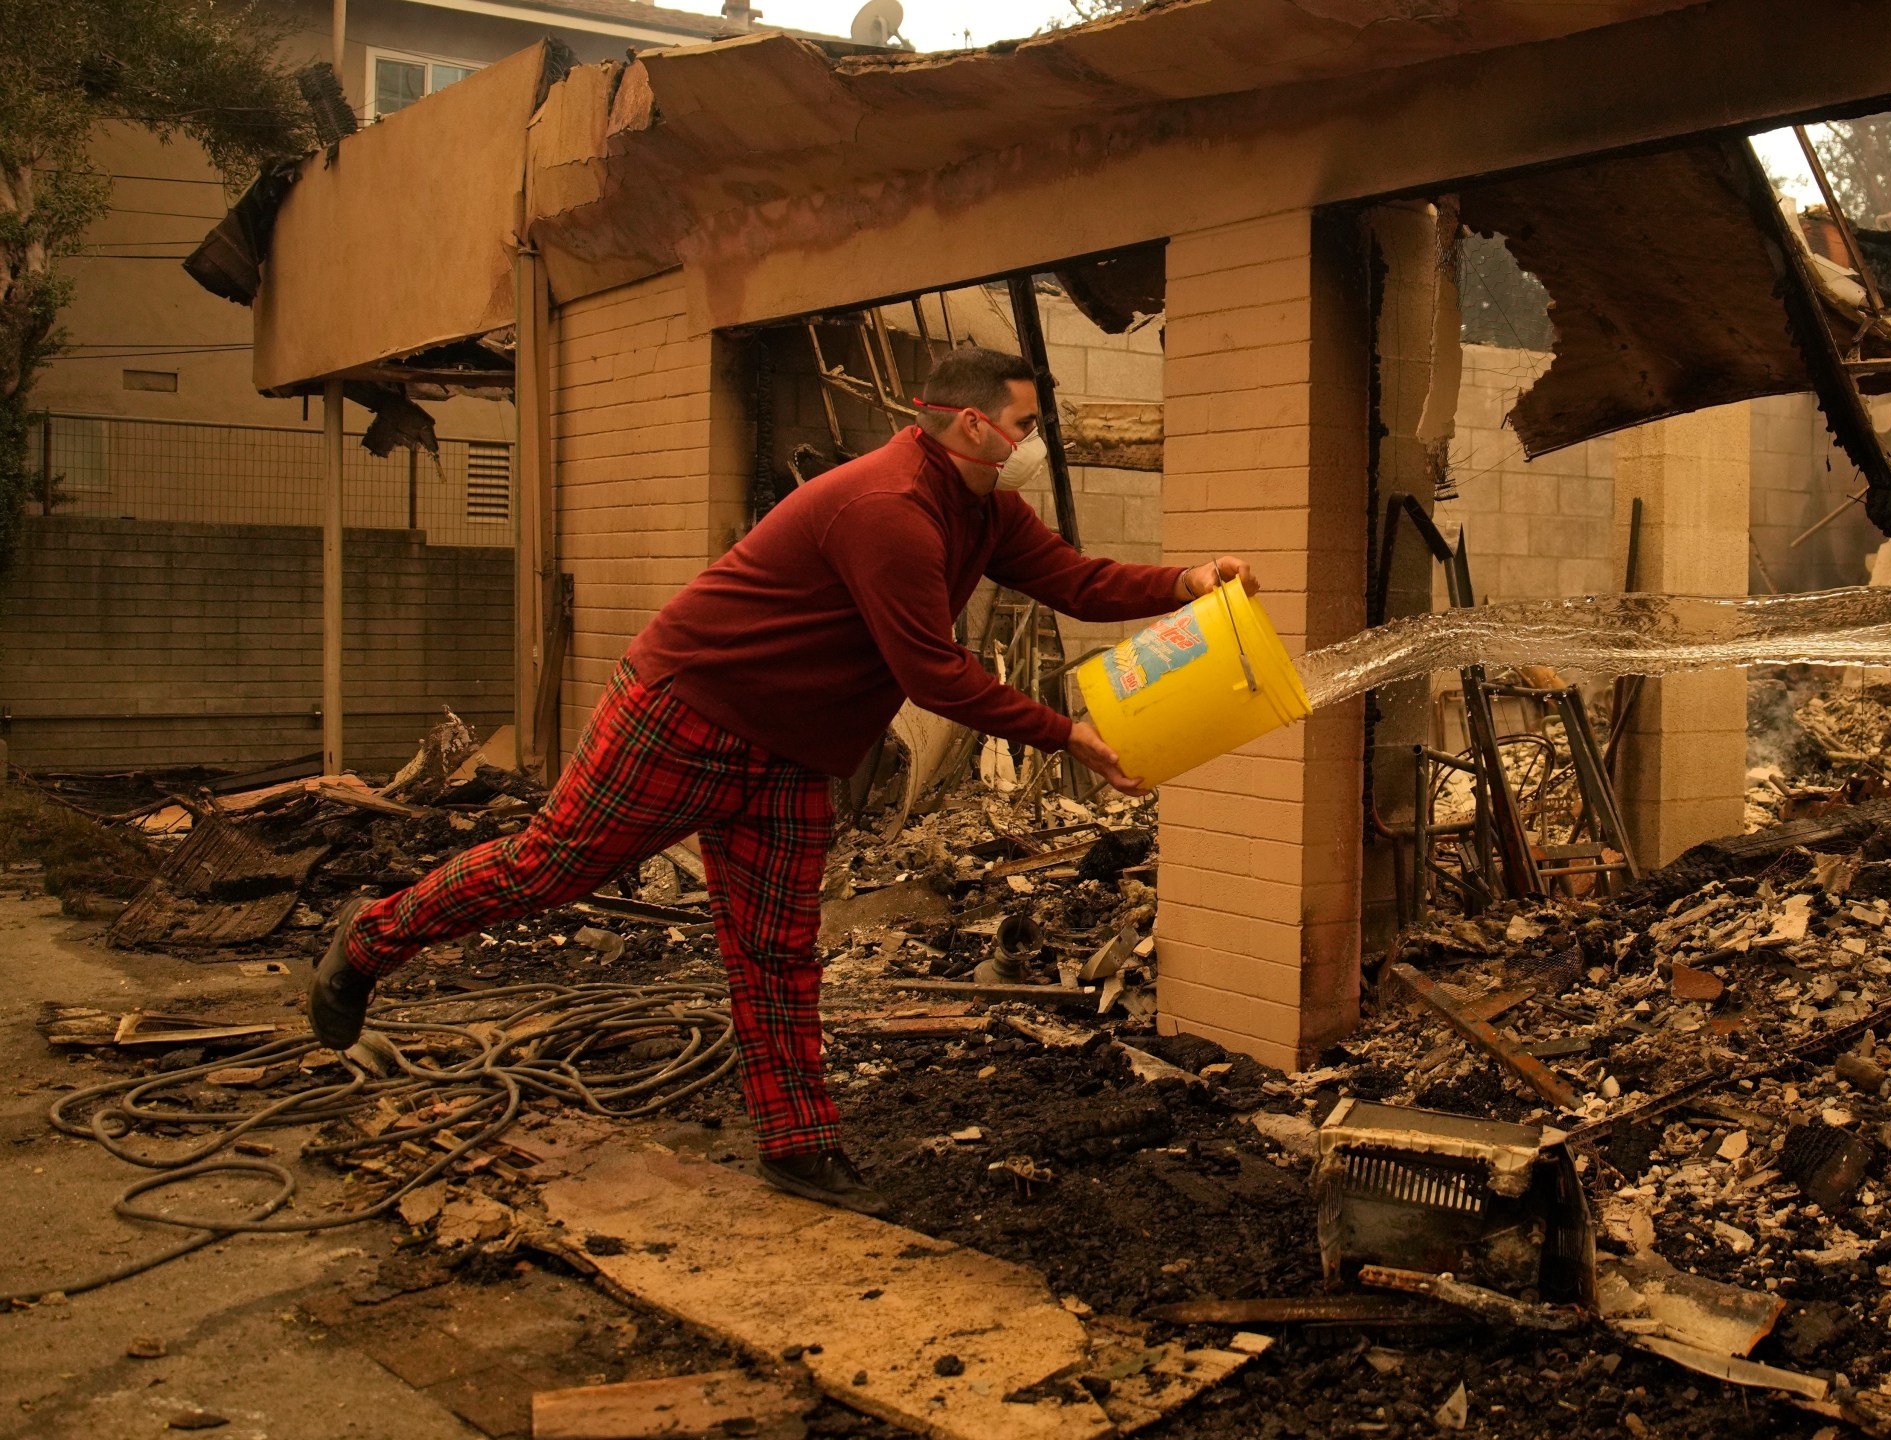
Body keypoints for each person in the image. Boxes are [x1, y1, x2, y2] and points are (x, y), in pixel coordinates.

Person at [307, 347, 1254, 1215]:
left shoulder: (986, 509)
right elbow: (933, 672)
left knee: (775, 950)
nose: (1032, 442)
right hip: (687, 715)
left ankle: (797, 1146)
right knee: (552, 869)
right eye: (1027, 424)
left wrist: (1186, 582)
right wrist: (1070, 737)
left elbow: (1078, 582)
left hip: (793, 750)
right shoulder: (887, 509)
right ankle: (371, 940)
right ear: (972, 425)